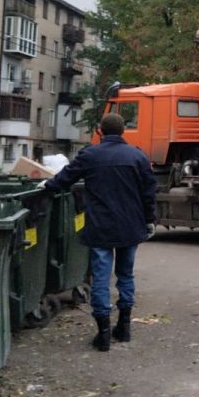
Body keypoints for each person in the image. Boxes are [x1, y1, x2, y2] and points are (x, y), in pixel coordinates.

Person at [41, 113, 157, 352]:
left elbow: (64, 179)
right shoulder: (138, 156)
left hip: (101, 227)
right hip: (130, 227)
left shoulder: (90, 155)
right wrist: (149, 220)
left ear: (101, 131)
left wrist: (45, 186)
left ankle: (103, 334)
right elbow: (149, 193)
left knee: (101, 278)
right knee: (126, 275)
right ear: (123, 131)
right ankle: (124, 327)